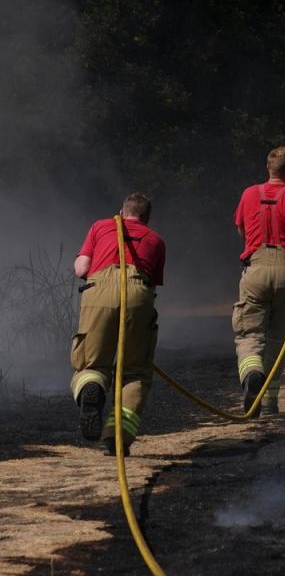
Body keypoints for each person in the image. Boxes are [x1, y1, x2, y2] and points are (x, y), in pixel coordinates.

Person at [71, 193, 165, 456]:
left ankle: (92, 387)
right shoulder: (156, 240)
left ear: (122, 212)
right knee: (135, 371)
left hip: (97, 291)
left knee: (92, 363)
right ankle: (117, 438)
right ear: (146, 217)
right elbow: (153, 284)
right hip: (138, 294)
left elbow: (81, 269)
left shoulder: (100, 226)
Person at [233, 145, 285, 417]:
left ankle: (252, 374)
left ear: (268, 169)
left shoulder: (248, 193)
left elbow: (240, 228)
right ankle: (269, 404)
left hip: (255, 267)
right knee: (279, 338)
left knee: (250, 334)